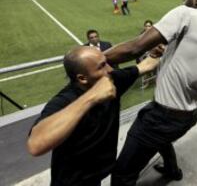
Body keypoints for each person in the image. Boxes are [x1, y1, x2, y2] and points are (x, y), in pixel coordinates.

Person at [105, 0, 197, 186]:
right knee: (162, 139)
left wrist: (96, 59)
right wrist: (167, 53)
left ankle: (169, 170)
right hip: (190, 112)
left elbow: (136, 47)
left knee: (122, 173)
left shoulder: (186, 13)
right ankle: (172, 171)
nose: (183, 0)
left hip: (164, 116)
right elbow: (190, 61)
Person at [27, 46, 160, 186]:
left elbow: (145, 66)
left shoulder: (111, 79)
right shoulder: (64, 100)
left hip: (98, 173)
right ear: (82, 78)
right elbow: (35, 145)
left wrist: (156, 53)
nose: (110, 69)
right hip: (72, 181)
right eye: (101, 66)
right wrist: (92, 97)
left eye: (106, 62)